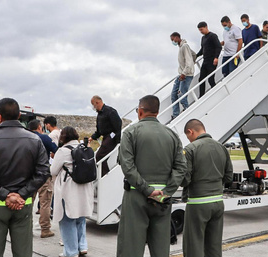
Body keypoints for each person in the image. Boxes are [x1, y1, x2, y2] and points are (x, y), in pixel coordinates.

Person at [0, 98, 50, 257]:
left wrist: (5, 195)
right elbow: (43, 171)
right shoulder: (34, 139)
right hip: (24, 204)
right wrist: (21, 194)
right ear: (20, 115)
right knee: (23, 252)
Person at [117, 95, 187, 257]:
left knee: (130, 248)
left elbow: (128, 167)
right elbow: (181, 167)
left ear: (140, 111)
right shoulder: (172, 135)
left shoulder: (130, 133)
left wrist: (147, 190)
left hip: (136, 196)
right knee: (161, 247)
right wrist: (167, 191)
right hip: (163, 200)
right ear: (157, 112)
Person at [181, 119, 233, 257]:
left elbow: (185, 179)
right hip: (218, 202)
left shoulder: (190, 149)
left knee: (194, 245)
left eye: (188, 137)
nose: (189, 140)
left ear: (190, 132)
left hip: (198, 203)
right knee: (214, 247)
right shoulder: (222, 147)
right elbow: (228, 177)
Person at [51, 126, 93, 257]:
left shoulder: (63, 151)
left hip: (68, 189)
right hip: (84, 188)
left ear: (63, 137)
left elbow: (53, 171)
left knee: (67, 220)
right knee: (80, 218)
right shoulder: (86, 148)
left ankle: (71, 251)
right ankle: (82, 246)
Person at [28, 119, 58, 239]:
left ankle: (26, 228)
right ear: (40, 127)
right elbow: (56, 150)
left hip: (28, 175)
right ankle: (45, 229)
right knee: (45, 202)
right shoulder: (45, 138)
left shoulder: (25, 138)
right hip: (43, 175)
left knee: (28, 202)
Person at [88, 95, 122, 177]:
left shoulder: (110, 111)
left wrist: (115, 138)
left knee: (99, 156)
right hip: (105, 137)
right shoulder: (99, 115)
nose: (93, 107)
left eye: (93, 104)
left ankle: (105, 176)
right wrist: (92, 137)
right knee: (100, 156)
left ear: (97, 102)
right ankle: (104, 175)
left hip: (111, 137)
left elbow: (118, 125)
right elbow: (99, 131)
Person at [170, 32, 197, 119]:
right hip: (182, 73)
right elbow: (193, 54)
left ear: (177, 38)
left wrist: (186, 71)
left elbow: (189, 61)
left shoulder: (184, 46)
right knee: (174, 94)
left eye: (173, 39)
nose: (172, 42)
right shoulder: (181, 47)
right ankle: (175, 114)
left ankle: (188, 112)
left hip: (186, 75)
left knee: (181, 95)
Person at [196, 21, 221, 98]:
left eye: (202, 29)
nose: (201, 31)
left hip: (212, 60)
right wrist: (196, 56)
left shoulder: (213, 36)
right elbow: (202, 49)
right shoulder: (203, 38)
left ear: (206, 27)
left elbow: (218, 46)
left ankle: (217, 93)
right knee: (201, 79)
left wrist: (216, 57)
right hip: (205, 61)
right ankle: (201, 96)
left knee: (210, 79)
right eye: (199, 30)